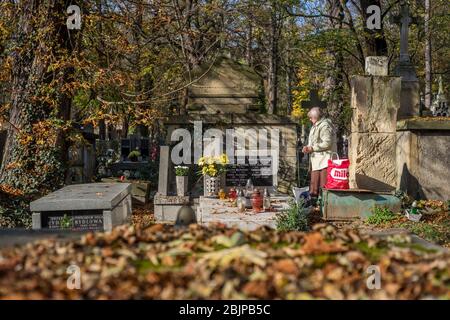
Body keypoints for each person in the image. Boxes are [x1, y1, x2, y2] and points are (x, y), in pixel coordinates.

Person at [302, 107, 337, 204]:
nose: (310, 119)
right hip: (318, 161)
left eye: (311, 118)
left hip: (324, 161)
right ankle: (315, 206)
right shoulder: (316, 125)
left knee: (323, 186)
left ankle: (323, 207)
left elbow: (327, 143)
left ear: (316, 117)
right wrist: (308, 148)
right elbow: (313, 142)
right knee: (314, 186)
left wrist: (312, 148)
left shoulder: (325, 125)